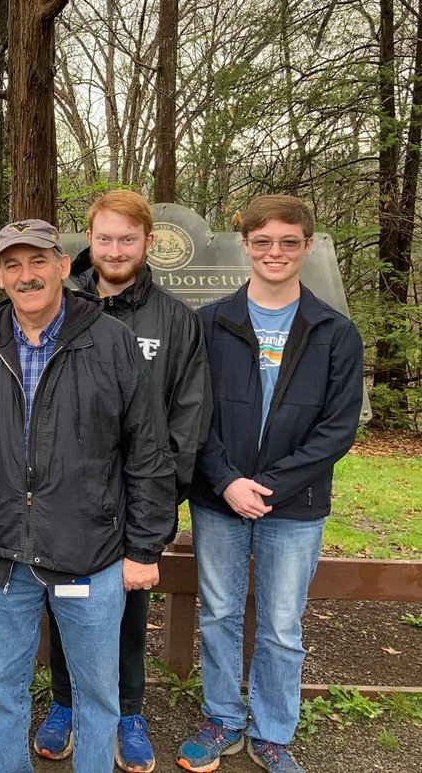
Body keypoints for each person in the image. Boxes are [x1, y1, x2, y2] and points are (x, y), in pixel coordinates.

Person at [0, 220, 176, 773]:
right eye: (13, 265)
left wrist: (144, 547)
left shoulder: (110, 342)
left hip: (89, 554)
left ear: (63, 266)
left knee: (97, 697)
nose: (27, 276)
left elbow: (148, 452)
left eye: (38, 261)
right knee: (0, 693)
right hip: (1, 558)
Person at [176, 196, 363, 773]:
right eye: (262, 242)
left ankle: (273, 732)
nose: (274, 252)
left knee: (282, 625)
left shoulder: (334, 331)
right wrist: (228, 480)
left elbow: (338, 428)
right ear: (246, 246)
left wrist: (270, 486)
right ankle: (223, 719)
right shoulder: (210, 322)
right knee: (219, 614)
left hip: (296, 506)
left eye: (287, 242)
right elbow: (193, 413)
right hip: (219, 499)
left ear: (306, 245)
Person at [35, 191, 210, 773]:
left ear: (148, 242)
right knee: (68, 603)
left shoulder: (175, 319)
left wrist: (157, 500)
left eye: (127, 239)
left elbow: (188, 417)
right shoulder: (59, 308)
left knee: (130, 610)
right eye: (105, 238)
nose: (115, 250)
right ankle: (66, 704)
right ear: (89, 240)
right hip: (69, 497)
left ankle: (127, 713)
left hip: (137, 500)